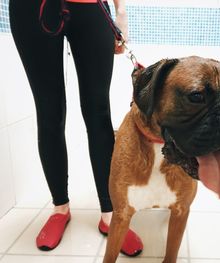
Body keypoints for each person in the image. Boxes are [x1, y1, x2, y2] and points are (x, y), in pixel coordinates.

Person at [9, 0, 143, 256]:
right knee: (49, 112)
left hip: (89, 5)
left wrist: (121, 11)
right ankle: (60, 208)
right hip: (30, 8)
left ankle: (110, 213)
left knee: (98, 111)